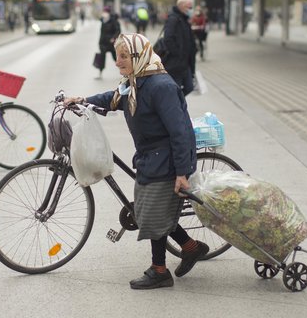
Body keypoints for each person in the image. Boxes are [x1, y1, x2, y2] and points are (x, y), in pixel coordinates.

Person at [65, 33, 208, 290]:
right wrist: (82, 100)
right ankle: (190, 247)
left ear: (139, 56)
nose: (118, 62)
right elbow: (113, 99)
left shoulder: (161, 87)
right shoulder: (136, 81)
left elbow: (180, 132)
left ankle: (160, 271)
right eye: (117, 56)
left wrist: (182, 173)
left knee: (152, 213)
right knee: (151, 210)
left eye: (123, 56)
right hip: (149, 158)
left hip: (165, 160)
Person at [162, 0, 197, 95]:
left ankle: (176, 102)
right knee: (175, 89)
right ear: (181, 6)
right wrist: (178, 53)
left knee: (189, 87)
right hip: (175, 64)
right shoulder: (173, 19)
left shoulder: (184, 19)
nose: (191, 10)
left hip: (185, 63)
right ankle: (174, 105)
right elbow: (168, 38)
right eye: (189, 7)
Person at [97, 6, 121, 78]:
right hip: (103, 43)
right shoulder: (103, 20)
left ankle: (125, 72)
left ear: (108, 13)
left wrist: (113, 38)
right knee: (102, 58)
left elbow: (118, 31)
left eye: (105, 12)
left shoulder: (114, 20)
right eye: (104, 12)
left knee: (116, 58)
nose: (104, 13)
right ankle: (100, 73)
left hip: (111, 43)